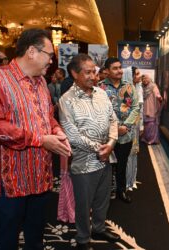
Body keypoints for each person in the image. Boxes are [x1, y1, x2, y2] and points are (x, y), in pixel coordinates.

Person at [0, 28, 72, 250]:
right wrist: (40, 139)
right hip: (12, 179)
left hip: (41, 176)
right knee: (8, 237)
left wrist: (57, 131)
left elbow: (48, 117)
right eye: (50, 54)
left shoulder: (41, 83)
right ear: (31, 51)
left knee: (36, 236)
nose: (52, 61)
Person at [59, 54, 119, 249]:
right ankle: (83, 238)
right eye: (88, 72)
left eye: (95, 71)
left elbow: (113, 120)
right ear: (74, 73)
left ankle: (99, 228)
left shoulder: (101, 93)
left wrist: (111, 143)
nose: (94, 76)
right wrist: (99, 149)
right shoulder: (66, 100)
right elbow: (72, 135)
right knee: (84, 204)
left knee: (103, 198)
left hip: (106, 157)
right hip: (83, 162)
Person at [101, 57, 139, 203]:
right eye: (115, 68)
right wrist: (114, 128)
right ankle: (104, 193)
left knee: (122, 164)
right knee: (105, 165)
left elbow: (135, 108)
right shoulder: (100, 88)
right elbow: (97, 111)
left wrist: (126, 126)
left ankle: (121, 191)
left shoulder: (129, 86)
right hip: (106, 136)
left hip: (125, 135)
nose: (119, 70)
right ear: (106, 71)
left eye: (120, 67)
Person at [123, 66, 144, 190]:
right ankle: (126, 181)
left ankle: (132, 179)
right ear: (130, 76)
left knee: (134, 152)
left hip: (135, 125)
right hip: (128, 125)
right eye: (136, 74)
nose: (139, 75)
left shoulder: (138, 88)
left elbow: (141, 110)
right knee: (127, 153)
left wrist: (141, 125)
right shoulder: (126, 91)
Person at [141, 74, 163, 144]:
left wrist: (159, 97)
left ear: (149, 78)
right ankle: (146, 138)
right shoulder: (142, 87)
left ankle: (153, 139)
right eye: (143, 79)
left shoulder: (153, 86)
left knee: (152, 124)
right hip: (145, 106)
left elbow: (157, 94)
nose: (145, 80)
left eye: (146, 78)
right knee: (146, 124)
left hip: (152, 106)